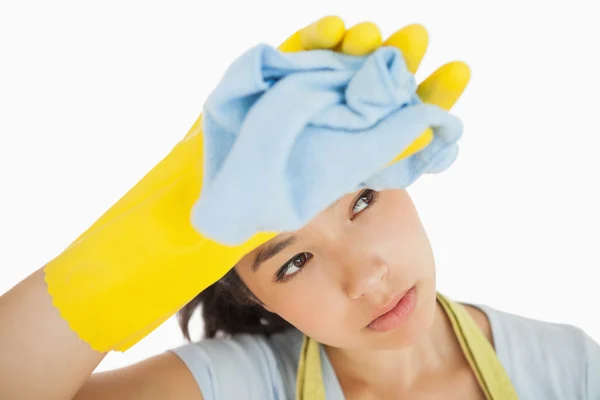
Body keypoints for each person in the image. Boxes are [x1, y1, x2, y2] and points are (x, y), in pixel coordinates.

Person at [1, 17, 598, 400]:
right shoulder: (237, 387)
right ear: (255, 295)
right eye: (293, 262)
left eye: (362, 200)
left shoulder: (569, 369)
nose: (366, 279)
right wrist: (138, 247)